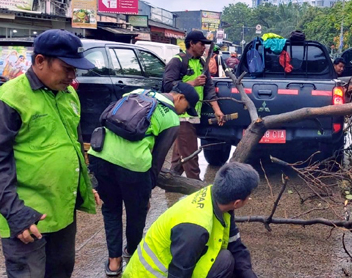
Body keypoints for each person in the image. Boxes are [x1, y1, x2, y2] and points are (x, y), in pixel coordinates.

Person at [0, 29, 100, 278]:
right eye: (67, 68)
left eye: (75, 70)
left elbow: (73, 143)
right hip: (27, 219)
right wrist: (16, 214)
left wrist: (85, 183)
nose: (72, 76)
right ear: (40, 61)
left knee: (61, 271)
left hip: (63, 212)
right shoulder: (8, 101)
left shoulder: (68, 94)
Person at [87, 83, 199, 276]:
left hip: (101, 156)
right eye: (186, 107)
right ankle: (131, 253)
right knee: (136, 212)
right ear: (179, 98)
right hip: (133, 167)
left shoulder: (137, 92)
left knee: (111, 209)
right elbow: (156, 161)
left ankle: (114, 264)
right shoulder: (171, 118)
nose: (184, 112)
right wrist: (147, 192)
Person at [123, 162, 260, 278]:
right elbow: (179, 273)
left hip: (174, 264)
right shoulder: (195, 228)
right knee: (225, 261)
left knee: (227, 259)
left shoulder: (217, 198)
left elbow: (235, 245)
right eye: (248, 196)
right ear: (237, 202)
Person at [162, 30, 225, 180]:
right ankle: (197, 190)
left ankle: (170, 182)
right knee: (191, 157)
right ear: (191, 44)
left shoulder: (202, 63)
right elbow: (167, 86)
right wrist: (193, 83)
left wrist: (217, 110)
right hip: (181, 116)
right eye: (201, 44)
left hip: (193, 115)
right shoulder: (177, 61)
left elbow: (209, 89)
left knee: (179, 157)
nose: (204, 47)